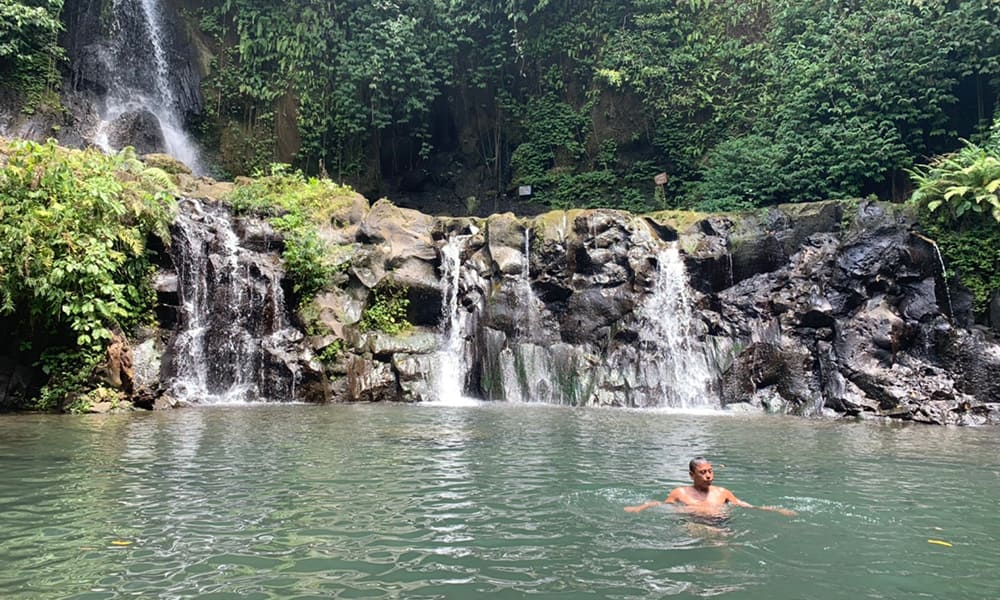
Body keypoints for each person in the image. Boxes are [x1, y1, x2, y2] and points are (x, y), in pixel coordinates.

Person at [624, 457, 796, 517]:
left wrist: (777, 510)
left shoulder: (722, 492)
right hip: (693, 522)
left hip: (720, 522)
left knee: (721, 538)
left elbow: (745, 505)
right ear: (692, 475)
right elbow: (663, 505)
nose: (708, 475)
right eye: (703, 472)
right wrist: (640, 507)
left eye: (710, 471)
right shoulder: (680, 493)